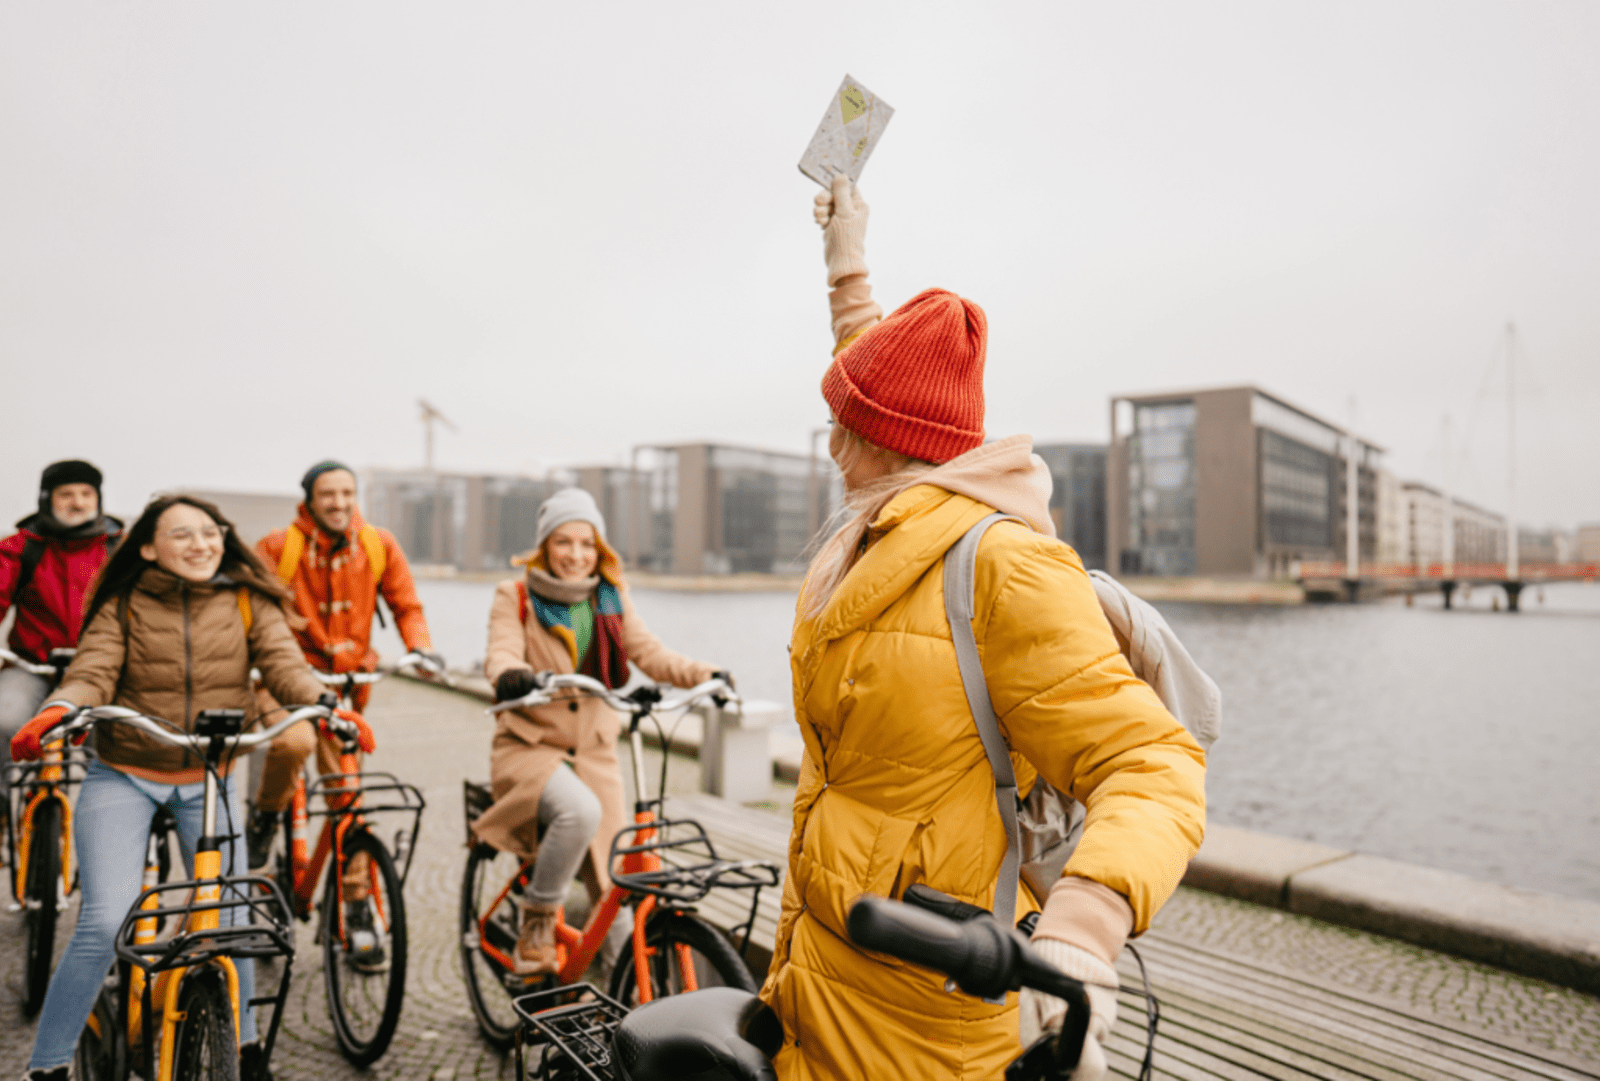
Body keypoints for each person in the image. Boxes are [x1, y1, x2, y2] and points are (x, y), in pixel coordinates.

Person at [754, 176, 1208, 1080]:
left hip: (920, 1021)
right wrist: (846, 259)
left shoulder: (1001, 566)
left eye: (845, 428)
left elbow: (1154, 766)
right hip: (814, 973)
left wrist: (1082, 935)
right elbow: (872, 369)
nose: (833, 445)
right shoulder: (885, 515)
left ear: (893, 443)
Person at [10, 494, 369, 1081]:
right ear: (148, 547)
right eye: (183, 535)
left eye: (210, 532)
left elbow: (284, 665)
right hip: (124, 774)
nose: (202, 544)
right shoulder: (122, 603)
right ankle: (46, 1067)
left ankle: (247, 1051)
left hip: (209, 776)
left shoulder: (248, 601)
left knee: (232, 911)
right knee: (105, 921)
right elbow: (92, 670)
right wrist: (60, 709)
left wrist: (328, 706)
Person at [475, 488, 729, 975]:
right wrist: (512, 675)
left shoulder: (610, 596)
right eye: (564, 542)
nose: (575, 555)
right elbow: (502, 651)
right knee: (578, 810)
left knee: (619, 886)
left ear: (600, 550)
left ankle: (624, 1003)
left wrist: (703, 674)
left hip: (595, 750)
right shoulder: (517, 596)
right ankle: (537, 920)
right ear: (545, 545)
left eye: (587, 544)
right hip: (531, 746)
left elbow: (649, 653)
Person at [247, 461, 439, 875]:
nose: (339, 503)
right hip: (283, 680)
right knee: (294, 744)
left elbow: (407, 606)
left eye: (348, 494)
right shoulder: (278, 548)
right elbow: (251, 614)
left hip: (343, 686)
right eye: (328, 495)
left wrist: (421, 648)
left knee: (348, 793)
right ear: (309, 501)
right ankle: (264, 817)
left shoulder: (378, 544)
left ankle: (354, 902)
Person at [0, 460, 122, 809]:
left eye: (87, 494)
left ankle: (110, 825)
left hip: (98, 671)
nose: (78, 502)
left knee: (115, 741)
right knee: (3, 719)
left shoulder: (118, 549)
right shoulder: (22, 547)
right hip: (31, 667)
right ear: (46, 499)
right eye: (66, 494)